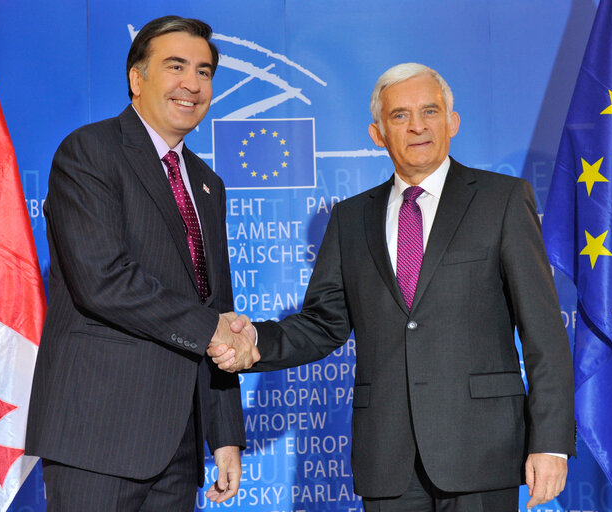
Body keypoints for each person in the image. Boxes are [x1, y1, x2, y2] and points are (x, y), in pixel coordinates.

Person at [211, 63, 575, 511]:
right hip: (388, 458)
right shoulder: (350, 219)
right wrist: (256, 343)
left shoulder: (502, 200)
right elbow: (324, 324)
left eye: (430, 111)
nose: (417, 126)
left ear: (452, 122)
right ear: (377, 133)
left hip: (482, 451)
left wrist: (551, 442)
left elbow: (543, 333)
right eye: (400, 116)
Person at [25, 16, 258, 512]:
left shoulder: (207, 183)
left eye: (204, 71)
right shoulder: (89, 152)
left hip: (177, 442)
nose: (192, 84)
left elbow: (216, 306)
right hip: (96, 436)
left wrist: (224, 433)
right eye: (176, 66)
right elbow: (103, 281)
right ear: (137, 77)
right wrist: (215, 329)